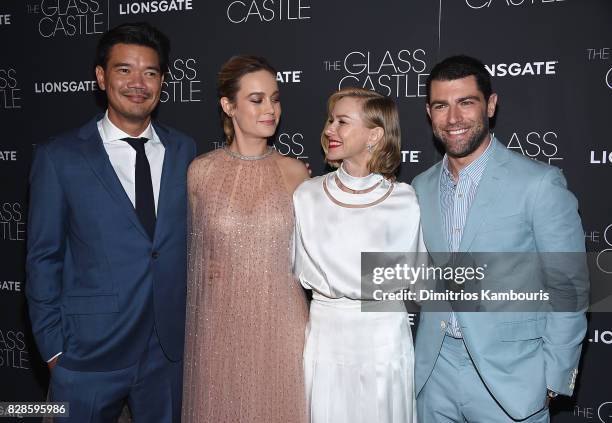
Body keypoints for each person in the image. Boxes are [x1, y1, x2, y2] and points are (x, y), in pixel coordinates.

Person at [26, 23, 196, 422]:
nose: (138, 83)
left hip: (165, 353)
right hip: (87, 355)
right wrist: (54, 351)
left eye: (150, 73)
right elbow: (43, 258)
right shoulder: (60, 157)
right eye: (124, 70)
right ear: (101, 77)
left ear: (163, 81)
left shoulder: (184, 149)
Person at [412, 55, 588, 422]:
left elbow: (568, 284)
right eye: (441, 106)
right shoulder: (420, 187)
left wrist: (554, 375)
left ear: (490, 105)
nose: (453, 118)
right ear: (429, 113)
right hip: (434, 373)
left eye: (466, 102)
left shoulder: (538, 184)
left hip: (512, 377)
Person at [181, 55, 309, 423]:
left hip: (283, 327)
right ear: (228, 105)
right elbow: (192, 260)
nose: (270, 109)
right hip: (219, 329)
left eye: (275, 98)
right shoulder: (199, 173)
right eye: (257, 100)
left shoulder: (296, 173)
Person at [293, 87, 426, 423]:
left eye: (342, 122)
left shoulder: (403, 200)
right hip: (326, 334)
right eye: (330, 120)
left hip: (383, 337)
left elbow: (414, 278)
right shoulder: (307, 195)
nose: (329, 130)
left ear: (375, 135)